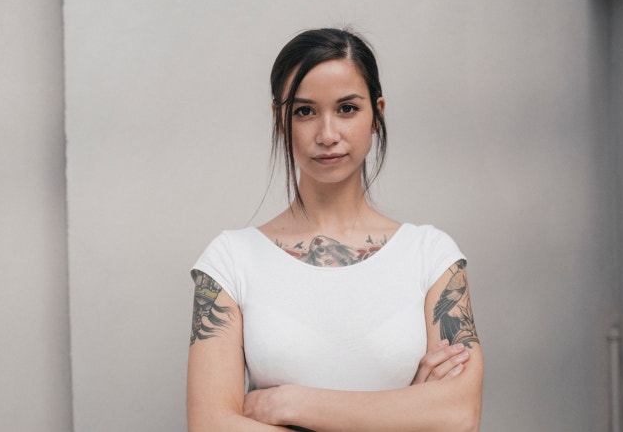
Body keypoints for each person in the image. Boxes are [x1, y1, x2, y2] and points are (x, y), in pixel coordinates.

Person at [186, 28, 483, 431]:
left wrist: (291, 402)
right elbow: (211, 425)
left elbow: (458, 416)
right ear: (280, 120)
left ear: (377, 114)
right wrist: (405, 411)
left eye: (347, 108)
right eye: (305, 111)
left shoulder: (431, 256)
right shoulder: (229, 261)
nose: (327, 135)